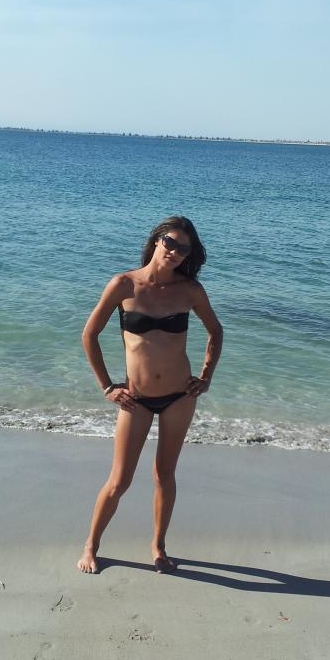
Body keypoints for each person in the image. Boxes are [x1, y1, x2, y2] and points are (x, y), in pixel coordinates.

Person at [78, 216, 223, 574]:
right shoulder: (123, 285)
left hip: (179, 397)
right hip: (136, 399)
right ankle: (91, 545)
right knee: (119, 481)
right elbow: (89, 335)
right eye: (170, 242)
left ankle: (158, 546)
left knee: (164, 475)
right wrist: (108, 387)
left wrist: (205, 377)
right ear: (157, 240)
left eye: (183, 248)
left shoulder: (190, 290)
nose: (174, 251)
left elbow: (216, 331)